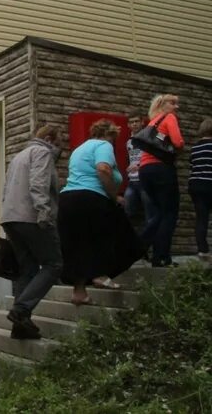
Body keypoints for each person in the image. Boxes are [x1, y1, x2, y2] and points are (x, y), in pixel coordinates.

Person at [58, 119, 145, 305]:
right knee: (122, 237)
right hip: (91, 199)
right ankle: (100, 274)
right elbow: (103, 169)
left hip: (67, 200)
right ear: (109, 135)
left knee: (79, 245)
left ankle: (79, 292)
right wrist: (114, 196)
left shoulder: (79, 149)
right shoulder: (103, 145)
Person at [0, 125, 64, 339]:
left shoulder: (19, 156)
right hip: (31, 217)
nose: (60, 149)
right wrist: (44, 213)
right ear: (48, 139)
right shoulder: (42, 152)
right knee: (53, 264)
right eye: (59, 143)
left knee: (26, 270)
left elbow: (6, 188)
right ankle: (21, 310)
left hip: (11, 218)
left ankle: (20, 327)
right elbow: (38, 184)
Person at [139, 94, 185, 267]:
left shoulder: (153, 122)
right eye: (173, 103)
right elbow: (178, 142)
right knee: (169, 213)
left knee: (158, 213)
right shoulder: (169, 118)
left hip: (145, 170)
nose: (176, 107)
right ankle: (161, 256)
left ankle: (142, 246)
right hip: (161, 169)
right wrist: (181, 147)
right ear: (162, 104)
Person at [188, 118, 212, 262]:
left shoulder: (195, 148)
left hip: (196, 185)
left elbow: (193, 166)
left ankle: (202, 250)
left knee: (201, 218)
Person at [124, 111, 154, 225]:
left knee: (150, 213)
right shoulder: (129, 142)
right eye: (131, 122)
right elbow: (130, 158)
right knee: (128, 210)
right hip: (132, 181)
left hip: (145, 180)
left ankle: (151, 241)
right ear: (128, 125)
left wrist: (139, 165)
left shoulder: (148, 138)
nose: (134, 124)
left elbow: (153, 157)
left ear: (142, 123)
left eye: (137, 121)